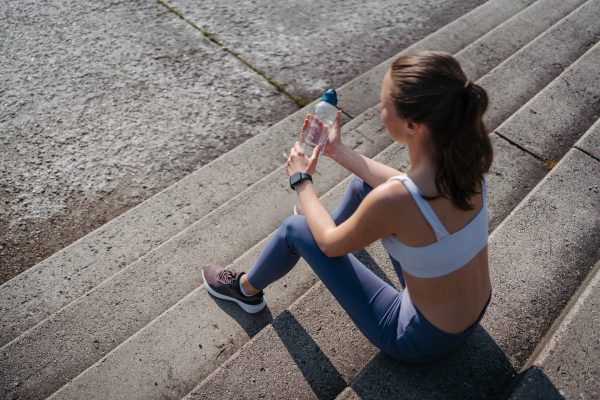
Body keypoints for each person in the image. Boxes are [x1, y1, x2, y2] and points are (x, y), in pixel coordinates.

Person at [203, 51, 493, 363]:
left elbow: (329, 245)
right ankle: (333, 226)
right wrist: (338, 150)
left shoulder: (395, 201)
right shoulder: (467, 166)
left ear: (412, 125)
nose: (379, 108)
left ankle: (246, 291)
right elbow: (398, 187)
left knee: (295, 229)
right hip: (468, 313)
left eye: (384, 104)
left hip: (417, 338)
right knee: (364, 186)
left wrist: (302, 180)